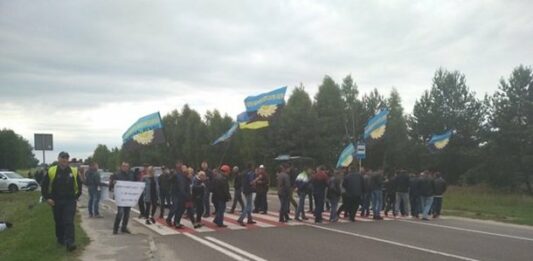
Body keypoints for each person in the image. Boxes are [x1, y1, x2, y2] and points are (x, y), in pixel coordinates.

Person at [41, 151, 82, 251]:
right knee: (59, 221)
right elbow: (44, 186)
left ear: (68, 160)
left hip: (70, 201)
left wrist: (77, 195)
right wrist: (47, 198)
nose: (64, 160)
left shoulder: (74, 171)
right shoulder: (52, 170)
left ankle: (70, 242)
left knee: (68, 221)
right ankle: (60, 239)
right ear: (58, 159)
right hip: (56, 201)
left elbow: (80, 185)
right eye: (62, 157)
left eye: (66, 158)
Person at [112, 162, 136, 234]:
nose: (125, 167)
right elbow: (112, 183)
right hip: (120, 198)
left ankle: (124, 227)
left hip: (128, 197)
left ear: (128, 167)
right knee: (120, 213)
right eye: (124, 166)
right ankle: (115, 229)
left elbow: (134, 183)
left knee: (127, 213)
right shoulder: (117, 174)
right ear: (121, 167)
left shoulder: (131, 174)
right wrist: (114, 182)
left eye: (127, 166)